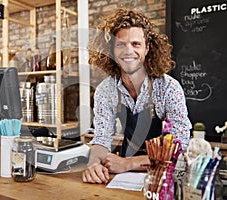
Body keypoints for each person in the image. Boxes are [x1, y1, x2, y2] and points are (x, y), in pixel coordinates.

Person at [82, 9, 192, 184]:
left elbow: (179, 147)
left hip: (162, 174)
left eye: (135, 44)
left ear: (147, 48)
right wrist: (94, 163)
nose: (128, 51)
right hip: (123, 175)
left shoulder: (168, 88)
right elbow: (101, 138)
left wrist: (128, 163)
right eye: (120, 44)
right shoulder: (105, 90)